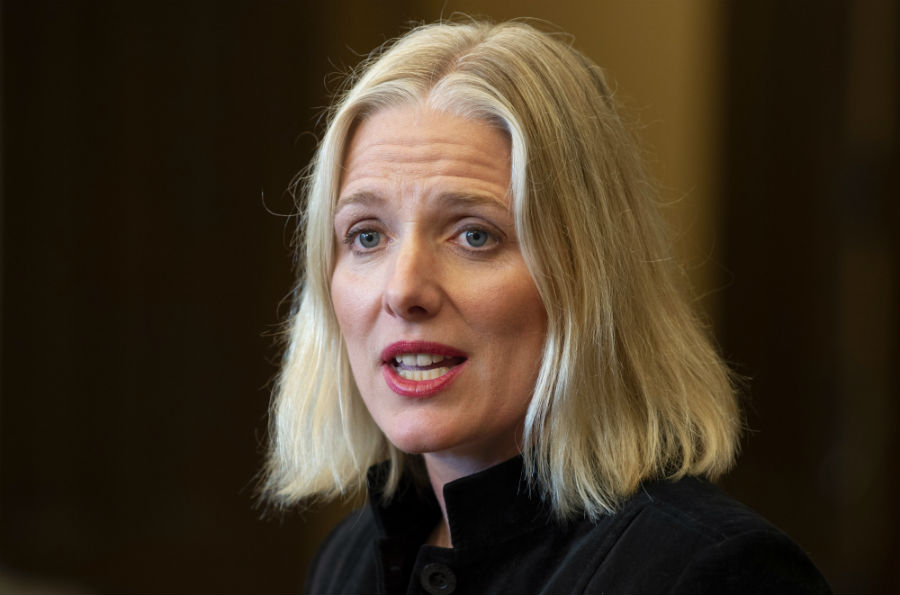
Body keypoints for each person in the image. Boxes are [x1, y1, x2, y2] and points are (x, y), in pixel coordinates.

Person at [263, 19, 831, 594]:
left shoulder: (716, 573)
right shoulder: (346, 561)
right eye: (366, 235)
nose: (404, 289)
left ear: (589, 275)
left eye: (474, 235)